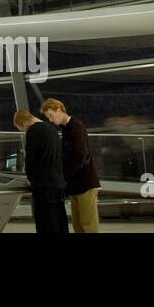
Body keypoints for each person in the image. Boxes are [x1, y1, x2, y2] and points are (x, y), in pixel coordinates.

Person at [42, 98, 101, 232]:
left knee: (88, 225)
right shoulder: (67, 129)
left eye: (51, 115)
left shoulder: (76, 127)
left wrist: (64, 176)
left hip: (84, 184)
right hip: (77, 185)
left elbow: (81, 155)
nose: (50, 120)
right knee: (79, 225)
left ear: (59, 110)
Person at [13, 109, 68, 234]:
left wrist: (30, 177)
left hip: (44, 186)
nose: (23, 131)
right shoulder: (52, 129)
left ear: (24, 123)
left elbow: (31, 158)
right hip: (58, 183)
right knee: (59, 223)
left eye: (21, 129)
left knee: (45, 224)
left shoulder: (34, 131)